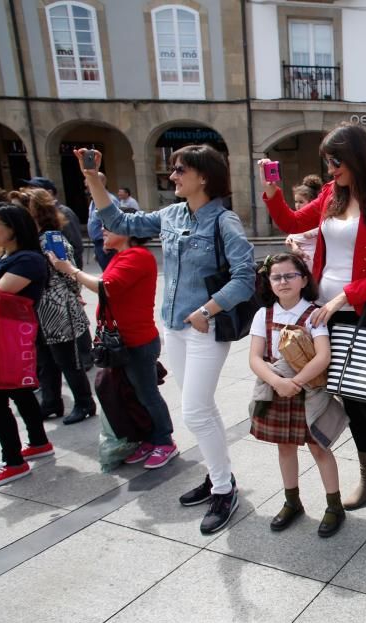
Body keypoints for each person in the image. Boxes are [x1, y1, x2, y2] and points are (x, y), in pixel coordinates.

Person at [81, 144, 255, 535]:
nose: (172, 176)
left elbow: (245, 279)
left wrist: (207, 310)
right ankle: (219, 478)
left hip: (205, 329)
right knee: (202, 408)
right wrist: (94, 179)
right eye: (173, 169)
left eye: (180, 170)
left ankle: (224, 491)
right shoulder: (171, 215)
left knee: (194, 411)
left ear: (203, 176)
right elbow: (119, 222)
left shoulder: (224, 222)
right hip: (174, 327)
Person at [260, 122, 366, 526]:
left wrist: (346, 295)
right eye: (327, 162)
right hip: (323, 314)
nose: (331, 169)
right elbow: (292, 222)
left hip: (365, 313)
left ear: (356, 158)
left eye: (336, 160)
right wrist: (273, 192)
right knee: (349, 400)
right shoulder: (332, 195)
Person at [48, 226, 176, 469]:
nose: (101, 232)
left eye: (107, 228)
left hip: (137, 340)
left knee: (147, 394)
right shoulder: (120, 256)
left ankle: (164, 441)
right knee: (135, 395)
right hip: (122, 342)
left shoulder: (138, 256)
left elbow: (107, 287)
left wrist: (71, 270)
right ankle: (149, 439)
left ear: (127, 231)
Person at [248, 252, 345, 536]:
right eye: (276, 277)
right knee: (285, 447)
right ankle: (292, 501)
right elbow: (255, 358)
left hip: (308, 392)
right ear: (269, 282)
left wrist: (296, 383)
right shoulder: (262, 314)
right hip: (276, 390)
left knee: (320, 448)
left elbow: (323, 356)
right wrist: (278, 383)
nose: (283, 281)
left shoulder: (314, 313)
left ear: (303, 279)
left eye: (290, 275)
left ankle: (334, 505)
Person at [0, 204, 54, 489]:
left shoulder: (29, 259)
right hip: (2, 331)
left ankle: (13, 462)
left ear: (13, 228)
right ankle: (38, 442)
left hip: (7, 334)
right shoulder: (13, 256)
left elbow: (1, 292)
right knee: (20, 391)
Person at [11, 188, 95, 425]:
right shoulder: (29, 241)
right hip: (38, 310)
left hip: (57, 310)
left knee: (68, 360)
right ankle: (51, 402)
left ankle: (84, 402)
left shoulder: (51, 239)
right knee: (45, 360)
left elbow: (69, 274)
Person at [19, 176, 84, 269]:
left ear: (49, 192)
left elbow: (76, 245)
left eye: (34, 189)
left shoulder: (64, 212)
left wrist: (71, 270)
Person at [285, 177, 323, 262]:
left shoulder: (318, 218)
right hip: (299, 260)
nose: (297, 205)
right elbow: (290, 239)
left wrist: (313, 232)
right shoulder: (297, 218)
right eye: (296, 202)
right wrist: (292, 243)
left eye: (301, 202)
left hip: (313, 258)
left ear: (312, 202)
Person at [87, 172, 119, 269]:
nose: (87, 187)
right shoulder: (93, 200)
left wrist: (108, 244)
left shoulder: (109, 200)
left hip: (107, 244)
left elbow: (113, 223)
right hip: (99, 243)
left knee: (111, 273)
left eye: (89, 183)